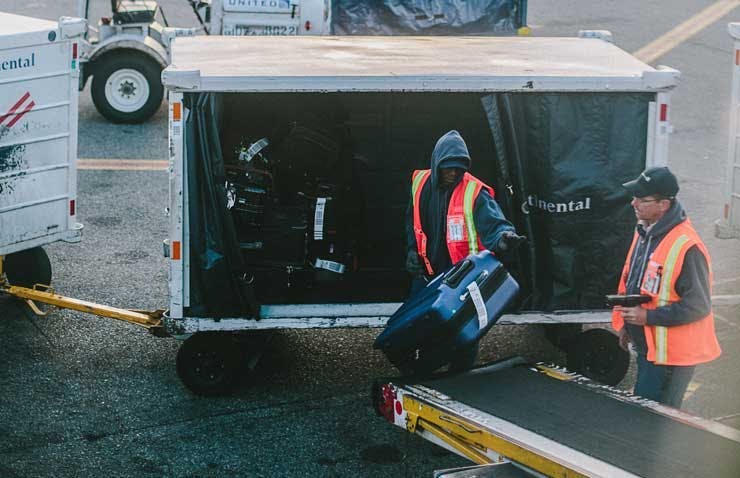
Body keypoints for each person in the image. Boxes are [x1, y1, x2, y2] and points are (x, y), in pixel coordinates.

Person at [404, 130, 525, 371]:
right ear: (437, 164)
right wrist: (410, 250)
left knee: (463, 337)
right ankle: (423, 375)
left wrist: (504, 238)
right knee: (421, 331)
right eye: (448, 168)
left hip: (462, 282)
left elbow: (494, 223)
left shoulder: (474, 192)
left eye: (459, 168)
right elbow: (411, 220)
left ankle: (460, 380)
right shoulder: (420, 185)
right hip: (428, 276)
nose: (454, 173)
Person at [612, 166, 721, 408]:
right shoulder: (645, 231)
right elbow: (638, 284)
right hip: (651, 350)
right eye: (634, 197)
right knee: (646, 416)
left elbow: (698, 306)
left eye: (642, 199)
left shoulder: (687, 246)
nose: (634, 203)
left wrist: (647, 317)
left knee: (658, 423)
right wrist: (628, 325)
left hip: (672, 358)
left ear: (664, 204)